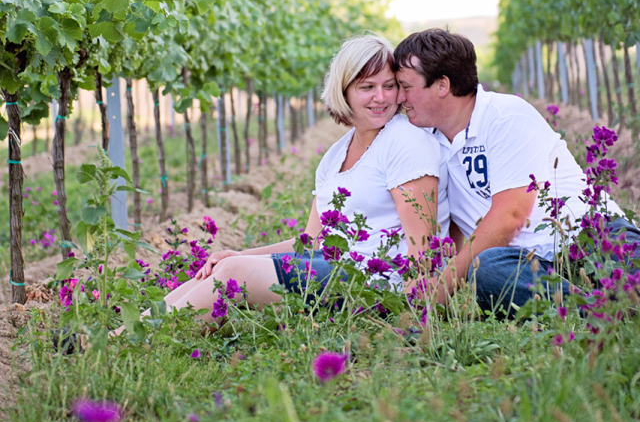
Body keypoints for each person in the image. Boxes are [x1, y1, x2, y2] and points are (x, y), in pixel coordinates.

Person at [156, 34, 449, 320]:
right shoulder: (336, 155)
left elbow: (422, 246)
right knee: (226, 267)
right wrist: (241, 253)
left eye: (389, 86)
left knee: (234, 275)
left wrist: (412, 317)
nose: (381, 97)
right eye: (367, 87)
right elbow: (311, 241)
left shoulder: (407, 141)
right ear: (343, 91)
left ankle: (157, 339)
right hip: (333, 266)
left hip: (376, 284)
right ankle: (136, 331)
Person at [393, 28, 637, 315]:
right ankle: (603, 312)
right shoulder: (428, 141)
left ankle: (605, 306)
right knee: (487, 272)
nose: (399, 98)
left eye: (406, 87)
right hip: (527, 265)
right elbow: (456, 226)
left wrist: (440, 290)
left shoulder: (506, 115)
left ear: (442, 85)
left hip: (590, 239)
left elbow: (510, 217)